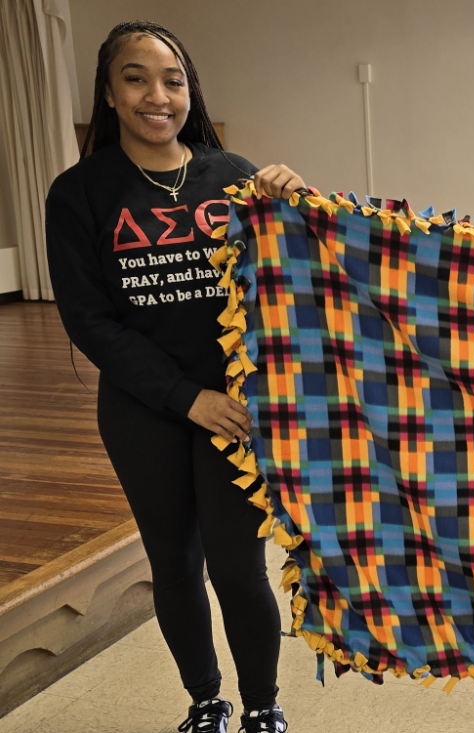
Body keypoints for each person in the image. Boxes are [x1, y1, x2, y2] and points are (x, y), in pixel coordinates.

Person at [46, 21, 308, 733]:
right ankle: (206, 702)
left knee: (238, 565)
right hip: (146, 407)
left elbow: (292, 280)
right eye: (135, 77)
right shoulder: (79, 193)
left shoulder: (234, 176)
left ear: (190, 89)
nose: (157, 95)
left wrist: (296, 202)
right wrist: (186, 397)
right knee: (174, 561)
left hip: (236, 407)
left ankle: (261, 706)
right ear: (108, 90)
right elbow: (90, 321)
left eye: (173, 79)